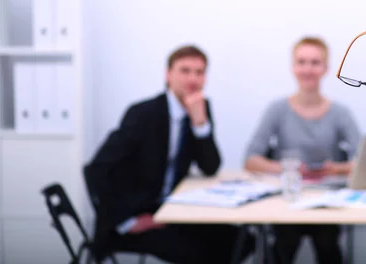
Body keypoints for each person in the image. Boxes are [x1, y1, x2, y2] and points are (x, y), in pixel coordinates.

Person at [84, 45, 251, 263]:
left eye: (199, 72)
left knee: (243, 239)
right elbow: (95, 170)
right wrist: (126, 221)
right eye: (185, 70)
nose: (193, 78)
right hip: (136, 216)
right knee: (201, 252)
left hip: (171, 210)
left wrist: (200, 124)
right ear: (168, 74)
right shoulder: (144, 113)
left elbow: (210, 167)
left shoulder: (200, 108)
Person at [244, 36, 361, 264]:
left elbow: (365, 160)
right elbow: (251, 159)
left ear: (325, 68)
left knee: (327, 242)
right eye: (302, 62)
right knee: (284, 244)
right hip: (287, 199)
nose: (308, 69)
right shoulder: (277, 109)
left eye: (315, 62)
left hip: (327, 199)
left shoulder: (340, 112)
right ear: (293, 67)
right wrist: (286, 168)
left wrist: (335, 169)